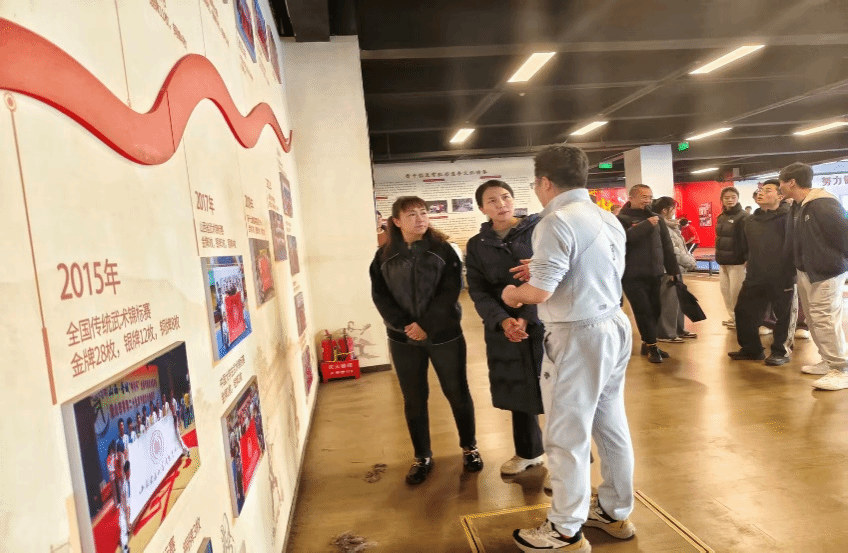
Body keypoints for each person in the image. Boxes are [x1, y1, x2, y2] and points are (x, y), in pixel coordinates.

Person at [502, 144, 635, 552]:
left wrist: (511, 293)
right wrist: (543, 269)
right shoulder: (606, 217)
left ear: (545, 182)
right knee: (610, 424)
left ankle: (564, 529)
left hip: (578, 335)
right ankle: (613, 511)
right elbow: (596, 269)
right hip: (612, 324)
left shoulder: (555, 220)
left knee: (565, 434)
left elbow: (539, 292)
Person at [369, 196, 481, 485]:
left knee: (457, 391)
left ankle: (470, 448)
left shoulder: (444, 251)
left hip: (444, 335)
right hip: (403, 339)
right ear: (396, 221)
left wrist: (426, 325)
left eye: (423, 213)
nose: (420, 219)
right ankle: (422, 456)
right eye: (411, 214)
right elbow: (381, 296)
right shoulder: (383, 256)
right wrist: (406, 326)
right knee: (414, 398)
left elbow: (450, 291)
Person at [465, 180, 545, 477]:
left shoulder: (538, 231)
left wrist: (525, 315)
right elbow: (478, 289)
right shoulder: (477, 244)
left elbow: (549, 276)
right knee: (517, 388)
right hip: (503, 325)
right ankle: (528, 452)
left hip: (541, 319)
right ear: (482, 208)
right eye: (492, 201)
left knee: (558, 390)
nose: (501, 204)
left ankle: (570, 461)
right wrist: (502, 320)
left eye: (505, 197)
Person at [780, 162, 848, 390]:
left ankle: (841, 369)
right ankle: (829, 361)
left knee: (824, 318)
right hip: (806, 271)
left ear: (791, 182)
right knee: (814, 319)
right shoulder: (798, 206)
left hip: (826, 272)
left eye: (781, 182)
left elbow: (845, 235)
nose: (780, 187)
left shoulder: (823, 204)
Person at [727, 179, 797, 365]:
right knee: (743, 311)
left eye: (768, 190)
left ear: (780, 196)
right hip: (755, 276)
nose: (761, 193)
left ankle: (781, 351)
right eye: (760, 190)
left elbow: (796, 246)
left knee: (783, 315)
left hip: (782, 277)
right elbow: (745, 246)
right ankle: (752, 349)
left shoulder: (788, 218)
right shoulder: (750, 220)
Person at [617, 185, 680, 363]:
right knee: (643, 310)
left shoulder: (657, 218)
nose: (648, 200)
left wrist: (673, 270)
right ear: (631, 198)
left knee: (655, 309)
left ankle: (647, 342)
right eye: (644, 197)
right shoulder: (621, 219)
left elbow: (667, 245)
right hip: (632, 275)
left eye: (650, 197)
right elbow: (622, 240)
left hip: (655, 273)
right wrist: (644, 226)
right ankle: (652, 346)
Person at [653, 197, 698, 343]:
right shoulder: (662, 226)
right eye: (673, 208)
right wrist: (690, 262)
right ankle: (666, 333)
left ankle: (678, 329)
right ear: (665, 210)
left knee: (678, 301)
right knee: (669, 302)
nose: (674, 211)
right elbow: (674, 251)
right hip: (667, 270)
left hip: (675, 268)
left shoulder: (671, 226)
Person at [715, 186, 748, 328]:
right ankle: (733, 317)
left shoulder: (743, 216)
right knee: (725, 292)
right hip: (723, 261)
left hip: (738, 262)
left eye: (733, 197)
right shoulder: (721, 217)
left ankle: (741, 319)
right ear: (722, 199)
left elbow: (747, 239)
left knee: (736, 293)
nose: (730, 200)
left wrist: (747, 258)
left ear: (738, 198)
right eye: (726, 197)